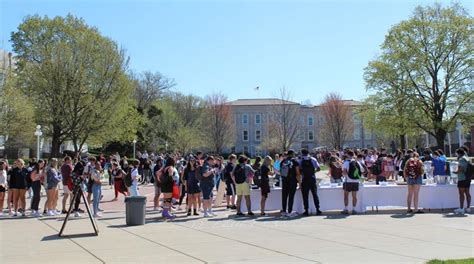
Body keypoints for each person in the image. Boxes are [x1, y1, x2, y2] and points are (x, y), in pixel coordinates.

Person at [299, 149, 322, 216]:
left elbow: (299, 170)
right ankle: (318, 209)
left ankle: (306, 210)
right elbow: (319, 168)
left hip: (304, 179)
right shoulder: (313, 159)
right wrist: (313, 172)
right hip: (312, 178)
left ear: (302, 153)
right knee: (315, 195)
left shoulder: (301, 160)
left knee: (305, 196)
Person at [280, 150, 301, 218]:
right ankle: (289, 212)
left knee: (284, 196)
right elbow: (297, 173)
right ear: (292, 154)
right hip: (292, 181)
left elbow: (281, 172)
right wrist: (300, 183)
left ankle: (284, 211)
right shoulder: (295, 162)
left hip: (284, 181)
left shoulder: (283, 161)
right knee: (291, 197)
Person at [342, 150, 361, 215]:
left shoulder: (346, 162)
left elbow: (344, 172)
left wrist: (345, 174)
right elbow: (362, 171)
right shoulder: (357, 162)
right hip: (356, 181)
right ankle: (354, 209)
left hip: (348, 181)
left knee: (346, 196)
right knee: (354, 196)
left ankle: (346, 209)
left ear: (347, 155)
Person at [454, 148, 471, 214]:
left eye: (456, 153)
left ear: (458, 153)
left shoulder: (461, 159)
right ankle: (468, 208)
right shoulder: (467, 158)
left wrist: (456, 172)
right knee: (467, 193)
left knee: (461, 194)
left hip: (462, 178)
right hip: (468, 178)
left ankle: (461, 208)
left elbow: (460, 169)